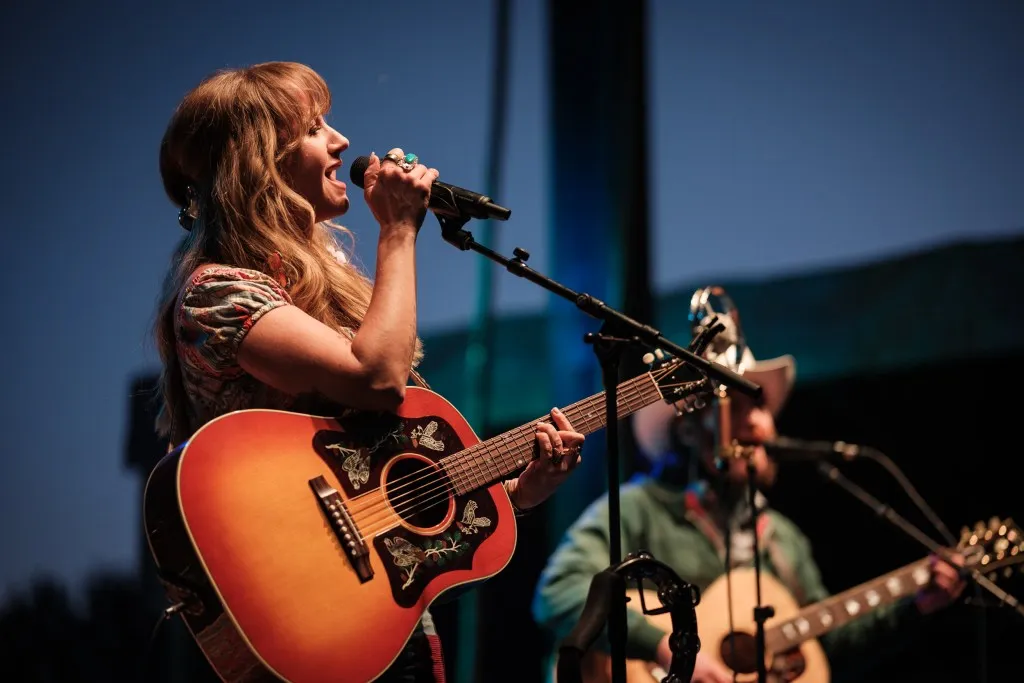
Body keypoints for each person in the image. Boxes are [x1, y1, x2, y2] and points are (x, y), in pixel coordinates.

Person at [153, 61, 584, 683]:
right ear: (259, 163)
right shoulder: (219, 294)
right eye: (313, 128)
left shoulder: (318, 294)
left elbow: (388, 506)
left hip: (384, 631)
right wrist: (400, 232)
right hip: (303, 627)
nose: (342, 142)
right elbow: (378, 377)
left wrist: (520, 494)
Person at [531, 327, 964, 683]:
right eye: (739, 406)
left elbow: (827, 645)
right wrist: (667, 647)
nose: (759, 422)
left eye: (762, 406)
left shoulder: (783, 539)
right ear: (691, 429)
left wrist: (915, 605)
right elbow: (559, 593)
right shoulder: (638, 508)